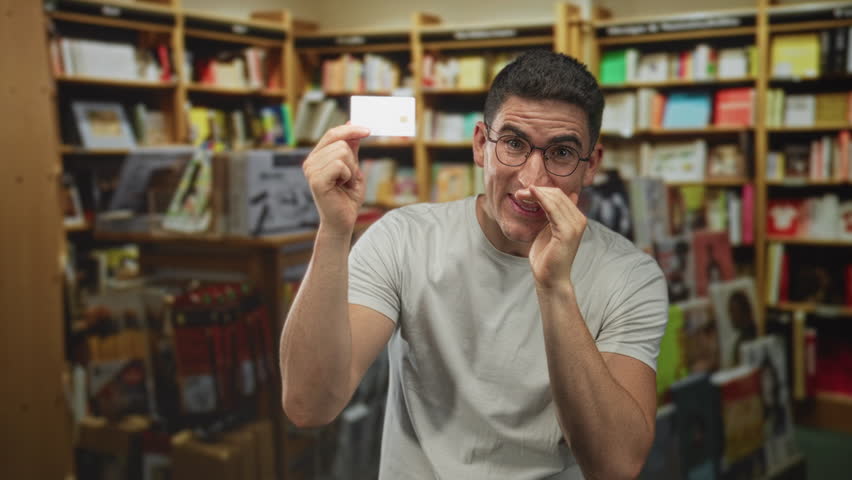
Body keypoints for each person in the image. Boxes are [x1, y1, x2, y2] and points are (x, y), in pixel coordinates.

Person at [280, 50, 669, 480]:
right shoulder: (404, 239)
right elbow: (308, 404)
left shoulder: (631, 277)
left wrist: (554, 286)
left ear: (590, 165)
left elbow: (615, 466)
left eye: (560, 153)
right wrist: (333, 232)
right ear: (481, 144)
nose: (531, 181)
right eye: (514, 144)